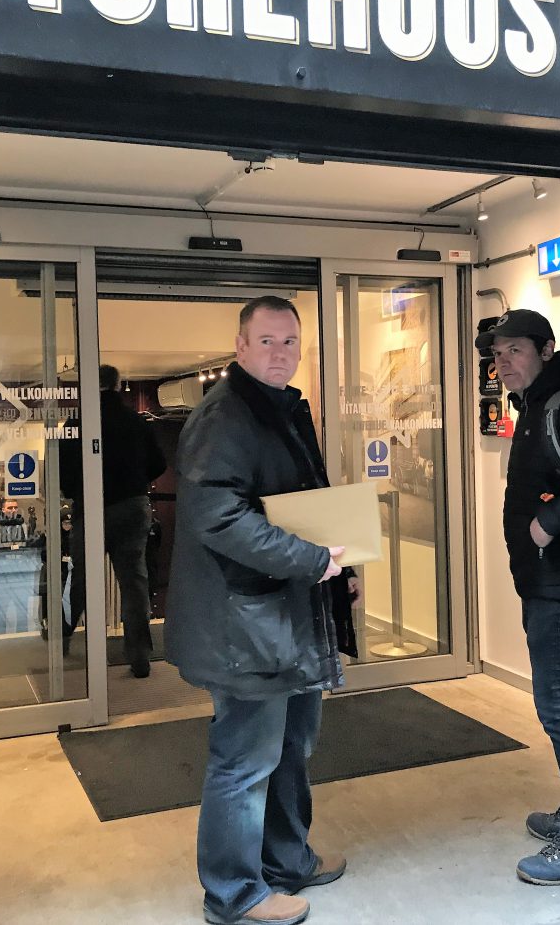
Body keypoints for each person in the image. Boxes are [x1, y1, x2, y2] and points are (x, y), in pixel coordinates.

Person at [165, 296, 360, 925]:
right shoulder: (224, 417)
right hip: (244, 625)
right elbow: (216, 515)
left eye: (290, 342)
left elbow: (302, 505)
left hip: (289, 615)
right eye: (268, 341)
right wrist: (310, 561)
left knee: (291, 747)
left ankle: (286, 860)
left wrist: (337, 570)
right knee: (244, 760)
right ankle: (233, 894)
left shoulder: (281, 410)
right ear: (241, 346)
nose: (281, 353)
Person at [475, 309, 560, 886]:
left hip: (559, 586)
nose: (503, 362)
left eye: (515, 350)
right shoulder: (534, 406)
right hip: (541, 583)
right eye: (497, 354)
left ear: (544, 349)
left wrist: (549, 522)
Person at [60, 364, 167, 674]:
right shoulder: (135, 421)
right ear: (119, 386)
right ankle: (139, 655)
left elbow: (63, 471)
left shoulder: (77, 423)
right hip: (132, 507)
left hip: (90, 507)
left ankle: (63, 640)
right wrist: (134, 483)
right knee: (134, 580)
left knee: (81, 578)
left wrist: (78, 492)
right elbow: (159, 463)